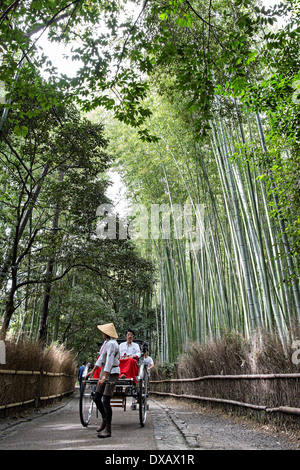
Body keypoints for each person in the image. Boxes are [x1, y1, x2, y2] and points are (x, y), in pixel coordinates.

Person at [85, 322, 120, 438]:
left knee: (105, 400)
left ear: (106, 333)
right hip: (104, 371)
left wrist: (104, 378)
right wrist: (93, 370)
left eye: (102, 332)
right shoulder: (106, 343)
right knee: (96, 397)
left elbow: (109, 361)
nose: (101, 334)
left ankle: (108, 430)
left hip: (112, 372)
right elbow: (100, 359)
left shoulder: (112, 344)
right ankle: (104, 420)